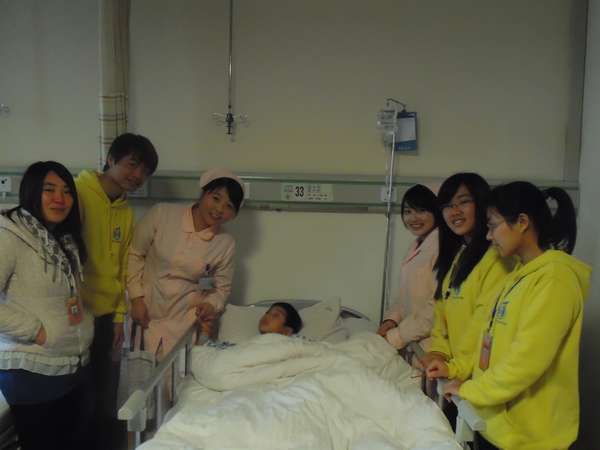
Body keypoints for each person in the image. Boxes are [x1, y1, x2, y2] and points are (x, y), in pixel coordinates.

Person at [427, 182, 590, 450]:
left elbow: (526, 361)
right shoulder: (516, 277)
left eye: (493, 226)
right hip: (499, 426)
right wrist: (455, 369)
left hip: (533, 437)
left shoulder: (555, 280)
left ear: (522, 222)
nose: (489, 236)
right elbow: (488, 342)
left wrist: (470, 390)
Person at [0, 161, 94, 450]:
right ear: (31, 191)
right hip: (31, 371)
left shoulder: (63, 240)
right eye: (49, 190)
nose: (59, 199)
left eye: (67, 192)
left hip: (67, 364)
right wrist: (36, 331)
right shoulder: (9, 235)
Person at [75, 132, 159, 449]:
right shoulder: (78, 194)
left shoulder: (125, 210)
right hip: (76, 313)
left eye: (144, 172)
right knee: (79, 394)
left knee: (105, 395)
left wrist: (119, 316)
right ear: (111, 159)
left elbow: (124, 265)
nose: (136, 175)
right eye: (132, 164)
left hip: (107, 315)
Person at [128, 169, 244, 357]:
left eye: (229, 206)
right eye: (216, 198)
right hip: (144, 312)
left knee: (177, 372)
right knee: (138, 370)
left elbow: (221, 289)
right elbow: (134, 254)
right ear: (203, 193)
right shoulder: (162, 214)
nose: (219, 209)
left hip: (184, 324)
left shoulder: (225, 243)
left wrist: (211, 305)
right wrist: (136, 298)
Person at [377, 185, 441, 360]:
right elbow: (404, 296)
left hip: (431, 345)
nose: (413, 218)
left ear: (435, 211)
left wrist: (397, 336)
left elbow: (437, 307)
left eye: (421, 211)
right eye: (408, 212)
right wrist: (391, 320)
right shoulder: (416, 245)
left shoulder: (441, 248)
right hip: (413, 341)